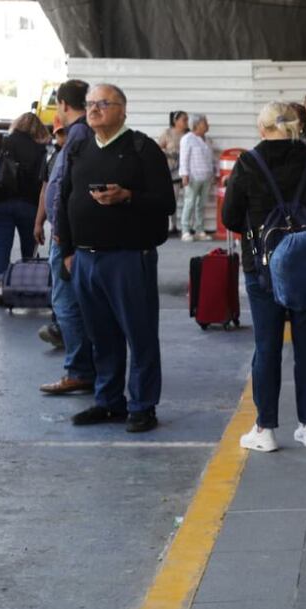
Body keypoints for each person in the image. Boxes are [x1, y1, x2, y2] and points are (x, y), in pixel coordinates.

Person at [222, 101, 306, 451]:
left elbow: (231, 217)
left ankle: (266, 430)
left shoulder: (249, 162)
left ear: (262, 128)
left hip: (262, 268)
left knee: (267, 346)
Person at [57, 83, 175, 432]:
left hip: (128, 258)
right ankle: (109, 402)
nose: (93, 109)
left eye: (103, 104)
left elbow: (166, 203)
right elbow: (65, 200)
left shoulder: (142, 148)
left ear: (122, 109)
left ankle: (142, 405)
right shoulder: (79, 148)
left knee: (139, 336)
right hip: (85, 260)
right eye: (90, 104)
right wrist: (66, 251)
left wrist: (127, 196)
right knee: (101, 336)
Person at [34, 79, 97, 396]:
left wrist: (62, 236)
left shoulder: (79, 135)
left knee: (67, 303)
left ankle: (80, 370)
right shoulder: (79, 135)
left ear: (62, 104)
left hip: (68, 238)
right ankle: (86, 367)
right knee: (74, 302)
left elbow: (68, 189)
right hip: (68, 234)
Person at [0, 112, 50, 305]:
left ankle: (1, 286)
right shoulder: (39, 149)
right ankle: (27, 284)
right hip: (28, 204)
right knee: (29, 244)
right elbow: (42, 181)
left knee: (1, 243)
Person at [36, 118, 68, 350]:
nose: (61, 138)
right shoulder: (53, 158)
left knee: (66, 285)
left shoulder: (80, 155)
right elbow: (45, 191)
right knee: (60, 283)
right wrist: (39, 222)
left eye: (64, 133)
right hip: (58, 231)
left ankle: (65, 329)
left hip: (71, 233)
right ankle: (61, 327)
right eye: (58, 134)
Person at [178, 113, 216, 242]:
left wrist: (214, 174)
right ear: (196, 125)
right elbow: (183, 158)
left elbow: (211, 158)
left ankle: (200, 230)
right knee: (189, 203)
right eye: (205, 123)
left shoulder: (207, 140)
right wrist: (184, 175)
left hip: (206, 177)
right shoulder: (187, 138)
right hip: (193, 177)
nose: (207, 125)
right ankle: (185, 230)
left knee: (201, 205)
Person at [156, 110, 188, 236]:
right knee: (172, 197)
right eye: (184, 119)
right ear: (176, 121)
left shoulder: (188, 134)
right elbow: (158, 149)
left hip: (186, 170)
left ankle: (186, 226)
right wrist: (169, 155)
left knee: (188, 199)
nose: (186, 122)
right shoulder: (167, 133)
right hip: (172, 170)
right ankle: (171, 225)